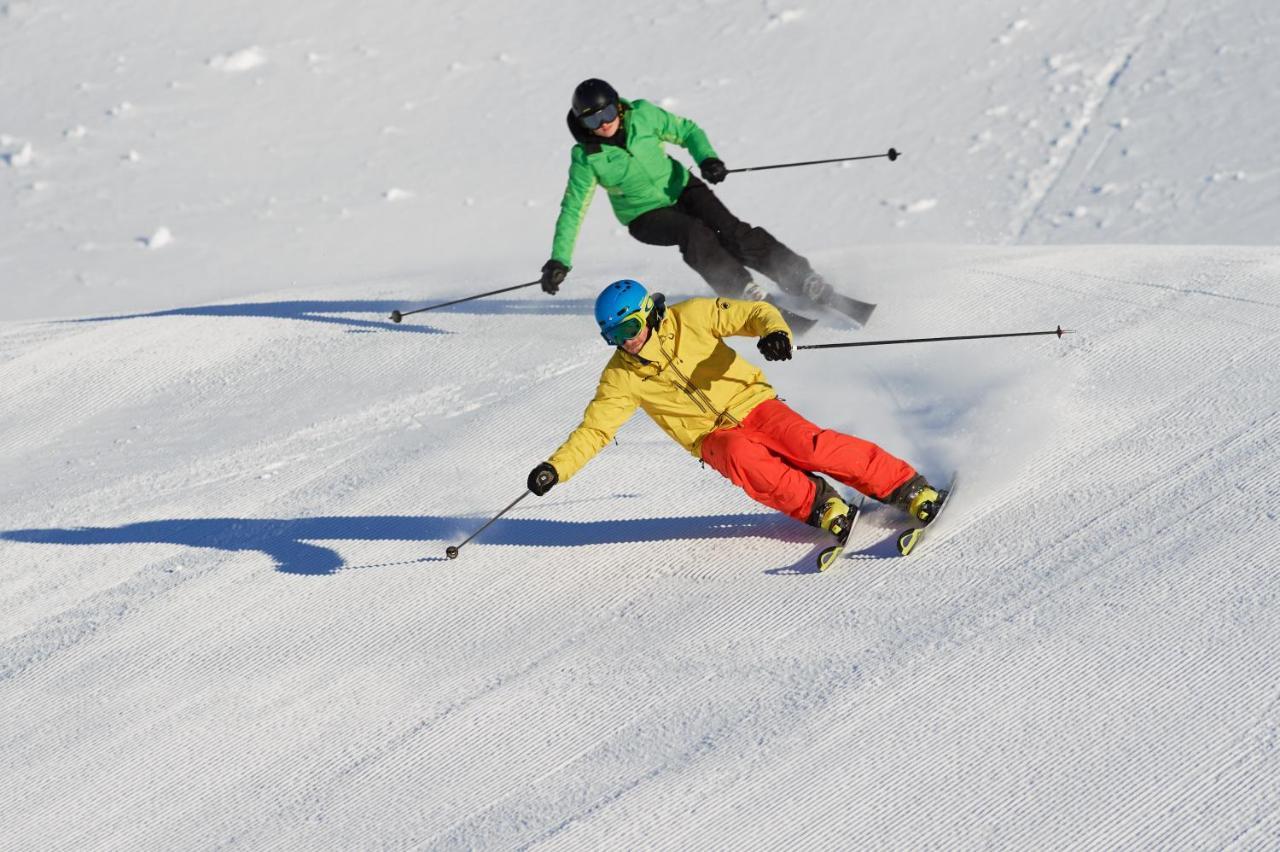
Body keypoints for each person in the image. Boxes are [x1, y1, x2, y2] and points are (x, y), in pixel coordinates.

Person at [525, 278, 940, 543]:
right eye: (612, 335)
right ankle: (821, 505)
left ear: (647, 316)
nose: (625, 342)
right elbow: (595, 431)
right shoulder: (621, 376)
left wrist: (774, 332)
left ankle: (906, 487)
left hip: (751, 402)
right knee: (743, 458)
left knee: (809, 446)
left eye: (628, 329)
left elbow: (755, 313)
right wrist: (555, 468)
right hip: (712, 437)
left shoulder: (693, 316)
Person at [538, 78, 856, 334]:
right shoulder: (586, 156)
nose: (603, 123)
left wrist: (707, 158)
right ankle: (746, 293)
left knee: (735, 233)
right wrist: (559, 259)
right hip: (644, 215)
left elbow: (686, 131)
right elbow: (573, 209)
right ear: (582, 122)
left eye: (607, 113)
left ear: (619, 108)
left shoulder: (644, 115)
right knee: (694, 233)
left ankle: (803, 279)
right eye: (593, 119)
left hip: (683, 187)